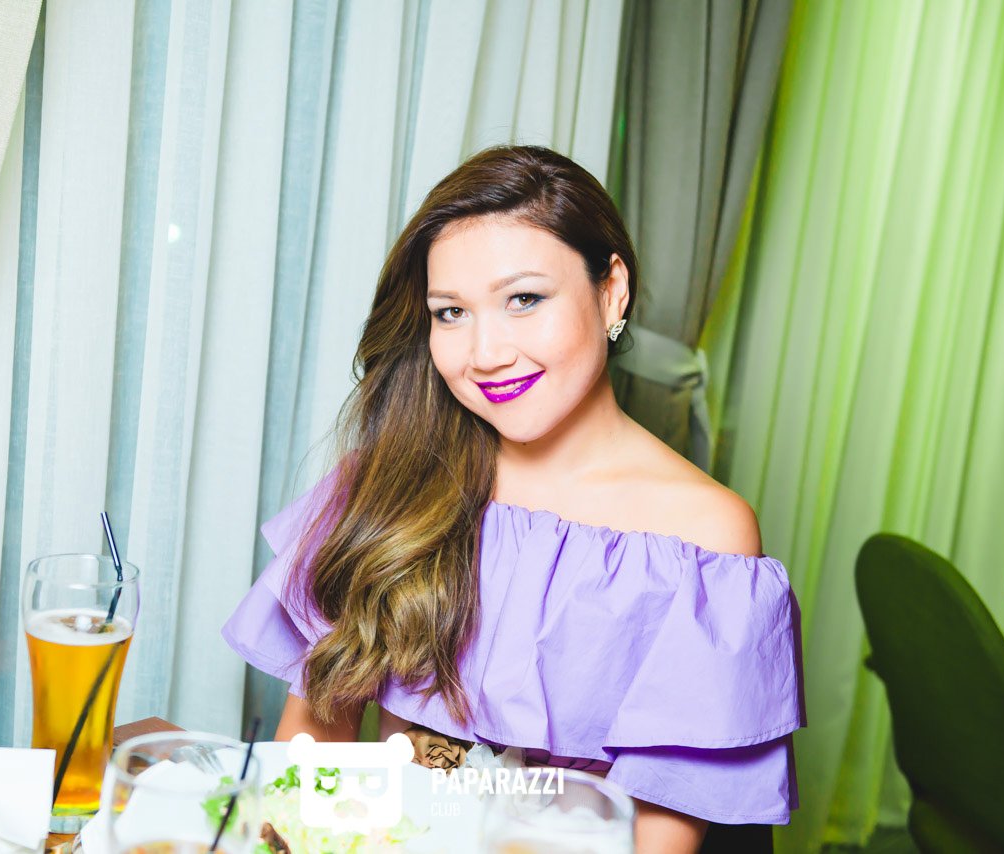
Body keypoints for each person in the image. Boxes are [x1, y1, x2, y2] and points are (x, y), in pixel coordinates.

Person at [222, 144, 804, 852]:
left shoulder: (705, 539)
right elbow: (314, 742)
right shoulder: (392, 478)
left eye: (524, 299)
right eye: (451, 312)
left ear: (612, 291)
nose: (486, 353)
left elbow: (657, 839)